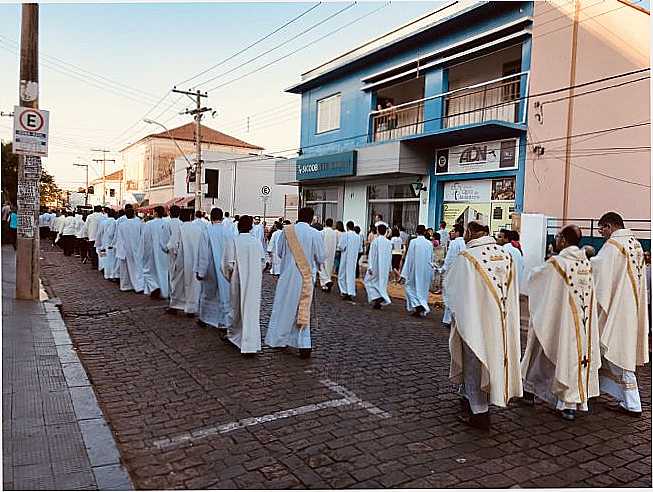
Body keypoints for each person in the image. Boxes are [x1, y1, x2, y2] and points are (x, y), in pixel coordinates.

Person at [447, 221, 522, 430]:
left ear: (470, 233)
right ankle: (479, 399)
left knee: (474, 365)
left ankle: (478, 412)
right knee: (494, 360)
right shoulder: (506, 255)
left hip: (476, 322)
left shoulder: (467, 258)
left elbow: (455, 293)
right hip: (501, 323)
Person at [521, 225, 601, 421]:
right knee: (560, 356)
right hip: (582, 324)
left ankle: (565, 402)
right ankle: (534, 391)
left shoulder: (558, 263)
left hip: (559, 321)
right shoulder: (586, 264)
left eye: (558, 237)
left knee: (549, 352)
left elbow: (536, 278)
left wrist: (532, 276)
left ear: (564, 241)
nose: (556, 240)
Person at [591, 212, 648, 417]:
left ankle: (633, 404)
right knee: (613, 350)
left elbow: (599, 273)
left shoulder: (613, 246)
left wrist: (585, 261)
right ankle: (597, 392)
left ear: (609, 226)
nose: (601, 233)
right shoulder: (636, 244)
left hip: (617, 309)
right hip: (630, 306)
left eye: (601, 229)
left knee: (616, 351)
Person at [265, 207, 325, 358]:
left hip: (287, 277)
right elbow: (321, 257)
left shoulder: (287, 231)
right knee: (302, 311)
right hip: (305, 278)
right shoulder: (315, 234)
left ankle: (279, 339)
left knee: (283, 308)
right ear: (312, 219)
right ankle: (304, 344)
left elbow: (279, 252)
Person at [222, 215, 266, 354]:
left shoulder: (234, 241)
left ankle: (236, 336)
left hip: (238, 279)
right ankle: (251, 343)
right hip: (254, 282)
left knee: (236, 308)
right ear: (251, 227)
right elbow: (263, 262)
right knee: (252, 310)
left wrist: (231, 278)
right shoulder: (256, 243)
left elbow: (228, 264)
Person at [195, 207, 234, 331]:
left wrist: (200, 272)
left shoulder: (207, 232)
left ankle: (205, 318)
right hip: (226, 269)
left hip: (211, 268)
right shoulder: (229, 232)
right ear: (222, 217)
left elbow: (203, 254)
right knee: (224, 294)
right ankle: (224, 321)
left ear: (211, 217)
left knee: (208, 294)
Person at [400, 225, 434, 317]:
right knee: (422, 290)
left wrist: (405, 273)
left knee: (409, 288)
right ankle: (420, 305)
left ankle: (418, 305)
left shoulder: (414, 242)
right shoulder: (429, 244)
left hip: (414, 270)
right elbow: (431, 259)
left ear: (416, 231)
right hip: (426, 270)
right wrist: (431, 272)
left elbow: (409, 258)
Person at [180, 210, 207, 317]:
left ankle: (185, 306)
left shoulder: (180, 229)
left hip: (183, 260)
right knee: (195, 285)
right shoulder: (199, 228)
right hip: (196, 259)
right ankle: (193, 306)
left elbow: (174, 246)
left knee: (183, 284)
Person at [440, 223, 466, 328]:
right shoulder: (464, 243)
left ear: (458, 233)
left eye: (453, 231)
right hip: (461, 273)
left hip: (452, 273)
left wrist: (443, 269)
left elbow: (449, 258)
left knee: (449, 295)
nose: (451, 233)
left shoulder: (454, 243)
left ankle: (448, 319)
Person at [114, 205, 144, 293]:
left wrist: (120, 251)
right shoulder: (139, 223)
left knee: (125, 269)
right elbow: (143, 236)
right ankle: (139, 286)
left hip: (125, 249)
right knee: (138, 268)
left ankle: (125, 285)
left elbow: (119, 239)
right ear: (134, 214)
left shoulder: (122, 225)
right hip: (137, 248)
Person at [142, 206, 169, 299]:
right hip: (164, 252)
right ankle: (164, 291)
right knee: (163, 272)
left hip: (152, 251)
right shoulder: (166, 223)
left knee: (148, 272)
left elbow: (145, 239)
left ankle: (154, 287)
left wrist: (145, 250)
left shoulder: (149, 224)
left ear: (156, 213)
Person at [163, 206, 186, 315]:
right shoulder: (182, 224)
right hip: (182, 253)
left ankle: (174, 304)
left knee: (173, 278)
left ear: (170, 213)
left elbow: (168, 241)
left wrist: (166, 248)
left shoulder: (167, 224)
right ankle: (182, 302)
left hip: (172, 253)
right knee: (181, 278)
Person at [364, 224, 392, 309]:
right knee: (381, 284)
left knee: (368, 281)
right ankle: (379, 298)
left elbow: (371, 255)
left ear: (378, 231)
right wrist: (390, 268)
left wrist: (370, 267)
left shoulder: (375, 241)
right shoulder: (388, 242)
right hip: (385, 267)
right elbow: (390, 256)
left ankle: (377, 298)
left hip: (375, 266)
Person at [338, 221, 362, 301]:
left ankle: (344, 291)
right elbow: (360, 249)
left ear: (347, 227)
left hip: (345, 257)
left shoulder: (345, 235)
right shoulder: (358, 237)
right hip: (354, 258)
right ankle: (351, 291)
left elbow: (341, 246)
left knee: (342, 274)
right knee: (351, 275)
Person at [497, 229, 525, 294]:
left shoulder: (503, 250)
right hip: (517, 284)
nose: (497, 239)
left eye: (500, 237)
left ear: (506, 239)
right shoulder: (517, 250)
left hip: (506, 284)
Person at [318, 218, 338, 292]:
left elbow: (319, 242)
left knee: (321, 268)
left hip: (323, 252)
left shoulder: (322, 232)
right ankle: (328, 281)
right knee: (329, 268)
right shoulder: (334, 233)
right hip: (332, 253)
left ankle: (325, 283)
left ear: (325, 223)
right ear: (332, 224)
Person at [85, 205, 104, 269]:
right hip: (101, 237)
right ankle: (102, 264)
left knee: (93, 251)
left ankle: (94, 265)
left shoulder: (90, 217)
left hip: (92, 236)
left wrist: (86, 235)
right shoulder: (103, 216)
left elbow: (86, 226)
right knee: (101, 251)